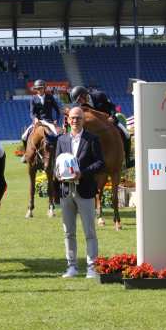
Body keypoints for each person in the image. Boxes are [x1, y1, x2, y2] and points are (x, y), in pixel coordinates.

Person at [55, 106, 104, 279]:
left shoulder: (92, 139)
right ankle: (72, 267)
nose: (75, 120)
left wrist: (83, 173)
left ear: (83, 120)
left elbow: (100, 163)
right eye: (72, 118)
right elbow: (56, 164)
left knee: (89, 231)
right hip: (66, 191)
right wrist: (58, 175)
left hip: (85, 190)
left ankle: (92, 267)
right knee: (68, 232)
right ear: (68, 120)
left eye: (78, 118)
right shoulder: (61, 140)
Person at [70, 85, 134, 168]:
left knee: (126, 134)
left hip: (109, 120)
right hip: (96, 126)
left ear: (84, 94)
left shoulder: (99, 95)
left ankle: (128, 160)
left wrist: (112, 116)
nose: (79, 103)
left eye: (79, 100)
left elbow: (112, 107)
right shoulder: (81, 107)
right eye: (78, 101)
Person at [21, 79, 61, 162]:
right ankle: (26, 154)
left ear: (44, 88)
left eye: (41, 88)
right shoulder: (33, 99)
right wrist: (34, 118)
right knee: (24, 136)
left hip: (49, 122)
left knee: (57, 136)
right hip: (38, 122)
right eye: (37, 89)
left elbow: (57, 110)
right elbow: (31, 112)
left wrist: (56, 120)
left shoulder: (50, 97)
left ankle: (58, 154)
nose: (39, 90)